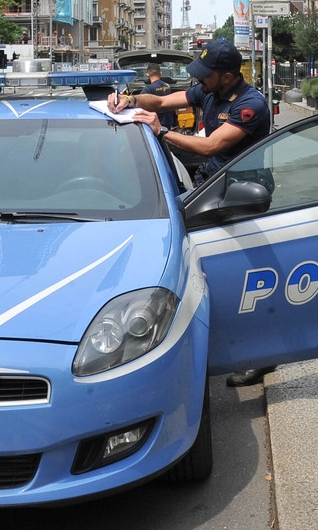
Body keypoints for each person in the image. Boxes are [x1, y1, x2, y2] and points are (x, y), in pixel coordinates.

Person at [106, 38, 274, 388]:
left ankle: (261, 353)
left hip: (241, 191)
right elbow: (164, 100)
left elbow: (212, 145)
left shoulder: (250, 104)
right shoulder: (208, 92)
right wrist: (132, 100)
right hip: (213, 182)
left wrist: (162, 130)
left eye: (205, 75)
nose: (199, 82)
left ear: (227, 77)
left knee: (242, 270)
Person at [141, 63, 177, 131]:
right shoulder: (167, 86)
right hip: (168, 122)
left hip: (156, 123)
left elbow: (139, 103)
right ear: (160, 73)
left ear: (147, 75)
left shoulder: (148, 89)